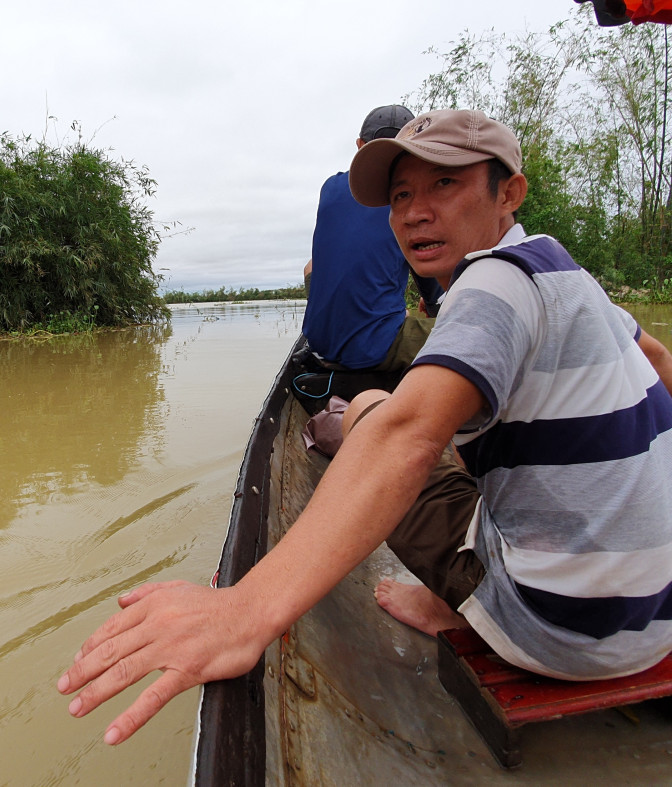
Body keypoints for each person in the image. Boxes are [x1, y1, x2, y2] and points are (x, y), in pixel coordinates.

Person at [57, 109, 672, 746]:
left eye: (445, 185)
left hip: (561, 631)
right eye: (402, 195)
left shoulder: (491, 282)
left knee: (372, 411)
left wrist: (244, 609)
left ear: (508, 192)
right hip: (657, 617)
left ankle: (461, 603)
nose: (414, 212)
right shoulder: (560, 270)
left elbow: (406, 438)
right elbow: (655, 359)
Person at [297, 104, 443, 410]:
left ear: (360, 147)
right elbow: (427, 274)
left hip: (321, 343)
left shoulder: (330, 187)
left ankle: (332, 346)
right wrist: (434, 307)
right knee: (465, 331)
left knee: (312, 266)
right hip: (374, 348)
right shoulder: (410, 196)